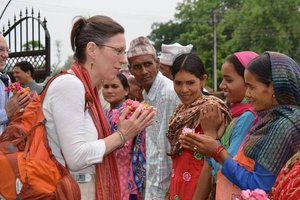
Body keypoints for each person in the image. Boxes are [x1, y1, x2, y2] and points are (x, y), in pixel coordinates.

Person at [42, 16, 154, 200]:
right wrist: (122, 135)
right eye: (117, 51)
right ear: (92, 50)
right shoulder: (70, 85)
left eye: (123, 52)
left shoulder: (90, 89)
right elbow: (76, 158)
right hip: (73, 189)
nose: (123, 59)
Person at [180, 52, 300, 199]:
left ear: (273, 88)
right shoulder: (272, 119)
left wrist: (217, 151)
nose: (247, 93)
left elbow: (259, 186)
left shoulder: (283, 125)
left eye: (251, 87)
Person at [193, 51, 258, 199]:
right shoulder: (235, 114)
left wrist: (210, 136)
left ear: (248, 81)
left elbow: (227, 168)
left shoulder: (248, 117)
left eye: (228, 80)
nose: (222, 85)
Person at [166, 53, 231, 200]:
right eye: (178, 83)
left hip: (199, 191)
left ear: (202, 80)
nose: (184, 89)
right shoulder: (181, 111)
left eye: (190, 83)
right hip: (178, 187)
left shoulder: (211, 110)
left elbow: (211, 157)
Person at [127, 36, 180, 200]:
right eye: (137, 66)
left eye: (148, 64)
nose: (143, 71)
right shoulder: (146, 94)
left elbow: (168, 148)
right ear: (130, 70)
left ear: (157, 63)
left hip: (167, 187)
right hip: (154, 184)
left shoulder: (169, 93)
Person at [102, 73, 146, 200]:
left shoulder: (130, 112)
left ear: (126, 90)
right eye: (106, 86)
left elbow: (122, 148)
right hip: (108, 174)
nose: (109, 90)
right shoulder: (105, 112)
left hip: (125, 174)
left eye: (114, 86)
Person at [0, 33, 31, 135]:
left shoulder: (6, 78)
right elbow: (7, 111)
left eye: (7, 50)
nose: (5, 55)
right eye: (0, 49)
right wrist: (7, 112)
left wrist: (21, 106)